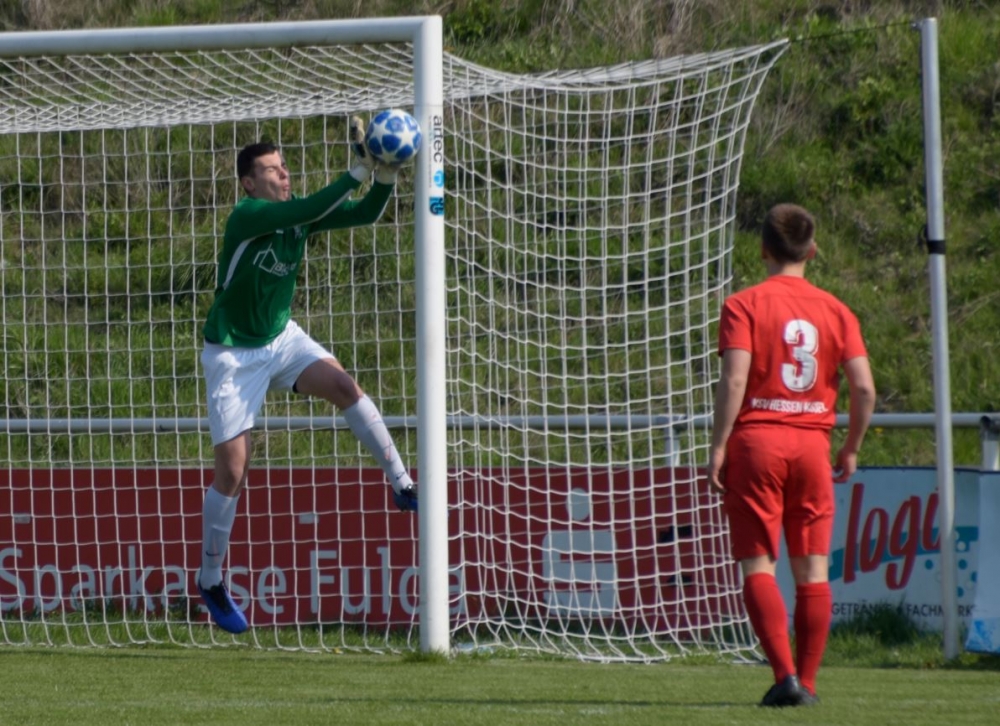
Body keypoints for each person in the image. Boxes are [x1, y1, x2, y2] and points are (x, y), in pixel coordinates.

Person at [196, 118, 418, 634]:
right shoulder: (249, 215)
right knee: (233, 470)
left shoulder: (299, 215)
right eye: (272, 170)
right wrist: (357, 168)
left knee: (344, 385)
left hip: (281, 339)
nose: (284, 175)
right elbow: (307, 208)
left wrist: (384, 175)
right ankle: (210, 579)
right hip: (232, 354)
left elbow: (363, 213)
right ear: (249, 183)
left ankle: (403, 483)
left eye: (284, 167)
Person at [706, 203, 876, 707]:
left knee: (758, 565)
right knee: (813, 571)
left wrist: (718, 445)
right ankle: (810, 683)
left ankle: (785, 678)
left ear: (762, 250)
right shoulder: (836, 310)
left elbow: (735, 379)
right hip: (811, 445)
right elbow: (864, 389)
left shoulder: (743, 305)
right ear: (813, 250)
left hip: (758, 441)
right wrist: (851, 446)